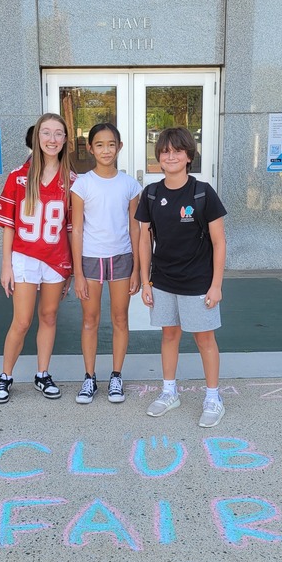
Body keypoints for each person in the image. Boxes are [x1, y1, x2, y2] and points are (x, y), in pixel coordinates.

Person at [135, 126, 228, 428]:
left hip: (198, 282)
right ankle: (169, 392)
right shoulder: (151, 193)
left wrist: (216, 285)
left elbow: (219, 242)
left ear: (189, 156)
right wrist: (146, 280)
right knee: (169, 335)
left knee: (204, 339)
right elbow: (144, 239)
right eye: (165, 151)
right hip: (162, 280)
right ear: (158, 158)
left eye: (177, 151)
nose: (170, 156)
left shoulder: (202, 192)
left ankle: (213, 397)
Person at [0, 113, 75, 403]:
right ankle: (5, 375)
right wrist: (6, 265)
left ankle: (42, 373)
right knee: (22, 320)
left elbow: (73, 228)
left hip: (56, 258)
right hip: (25, 257)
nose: (52, 139)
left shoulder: (73, 181)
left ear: (65, 140)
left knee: (49, 316)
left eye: (58, 134)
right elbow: (8, 224)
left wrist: (71, 270)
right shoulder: (18, 176)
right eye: (46, 133)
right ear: (37, 137)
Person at [69, 123, 142, 405]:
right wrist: (77, 272)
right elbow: (76, 229)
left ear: (120, 147)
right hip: (90, 260)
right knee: (90, 319)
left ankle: (116, 375)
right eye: (99, 145)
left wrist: (136, 268)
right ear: (90, 149)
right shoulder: (83, 184)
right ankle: (89, 377)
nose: (106, 150)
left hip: (122, 258)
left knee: (120, 318)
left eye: (111, 144)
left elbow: (135, 228)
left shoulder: (129, 184)